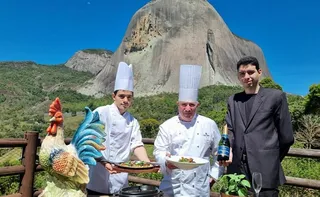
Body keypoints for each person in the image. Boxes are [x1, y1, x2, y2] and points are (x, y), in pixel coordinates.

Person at [222, 56, 294, 197]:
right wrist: (228, 148)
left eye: (250, 72)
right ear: (238, 76)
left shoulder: (276, 97)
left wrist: (270, 158)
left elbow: (287, 137)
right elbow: (230, 129)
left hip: (265, 170)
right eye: (242, 73)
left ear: (259, 72)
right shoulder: (233, 100)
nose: (246, 76)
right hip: (237, 170)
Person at [153, 64, 224, 197]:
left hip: (199, 187)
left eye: (192, 104)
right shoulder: (167, 126)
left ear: (197, 105)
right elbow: (159, 151)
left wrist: (214, 176)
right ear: (178, 104)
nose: (187, 108)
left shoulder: (209, 124)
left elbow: (219, 153)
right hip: (172, 186)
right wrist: (165, 161)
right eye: (184, 104)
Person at [86, 62, 150, 195]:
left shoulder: (133, 121)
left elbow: (137, 145)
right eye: (122, 96)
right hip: (97, 174)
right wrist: (103, 162)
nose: (125, 100)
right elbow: (89, 140)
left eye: (129, 97)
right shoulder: (101, 112)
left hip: (120, 180)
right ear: (113, 96)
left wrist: (148, 163)